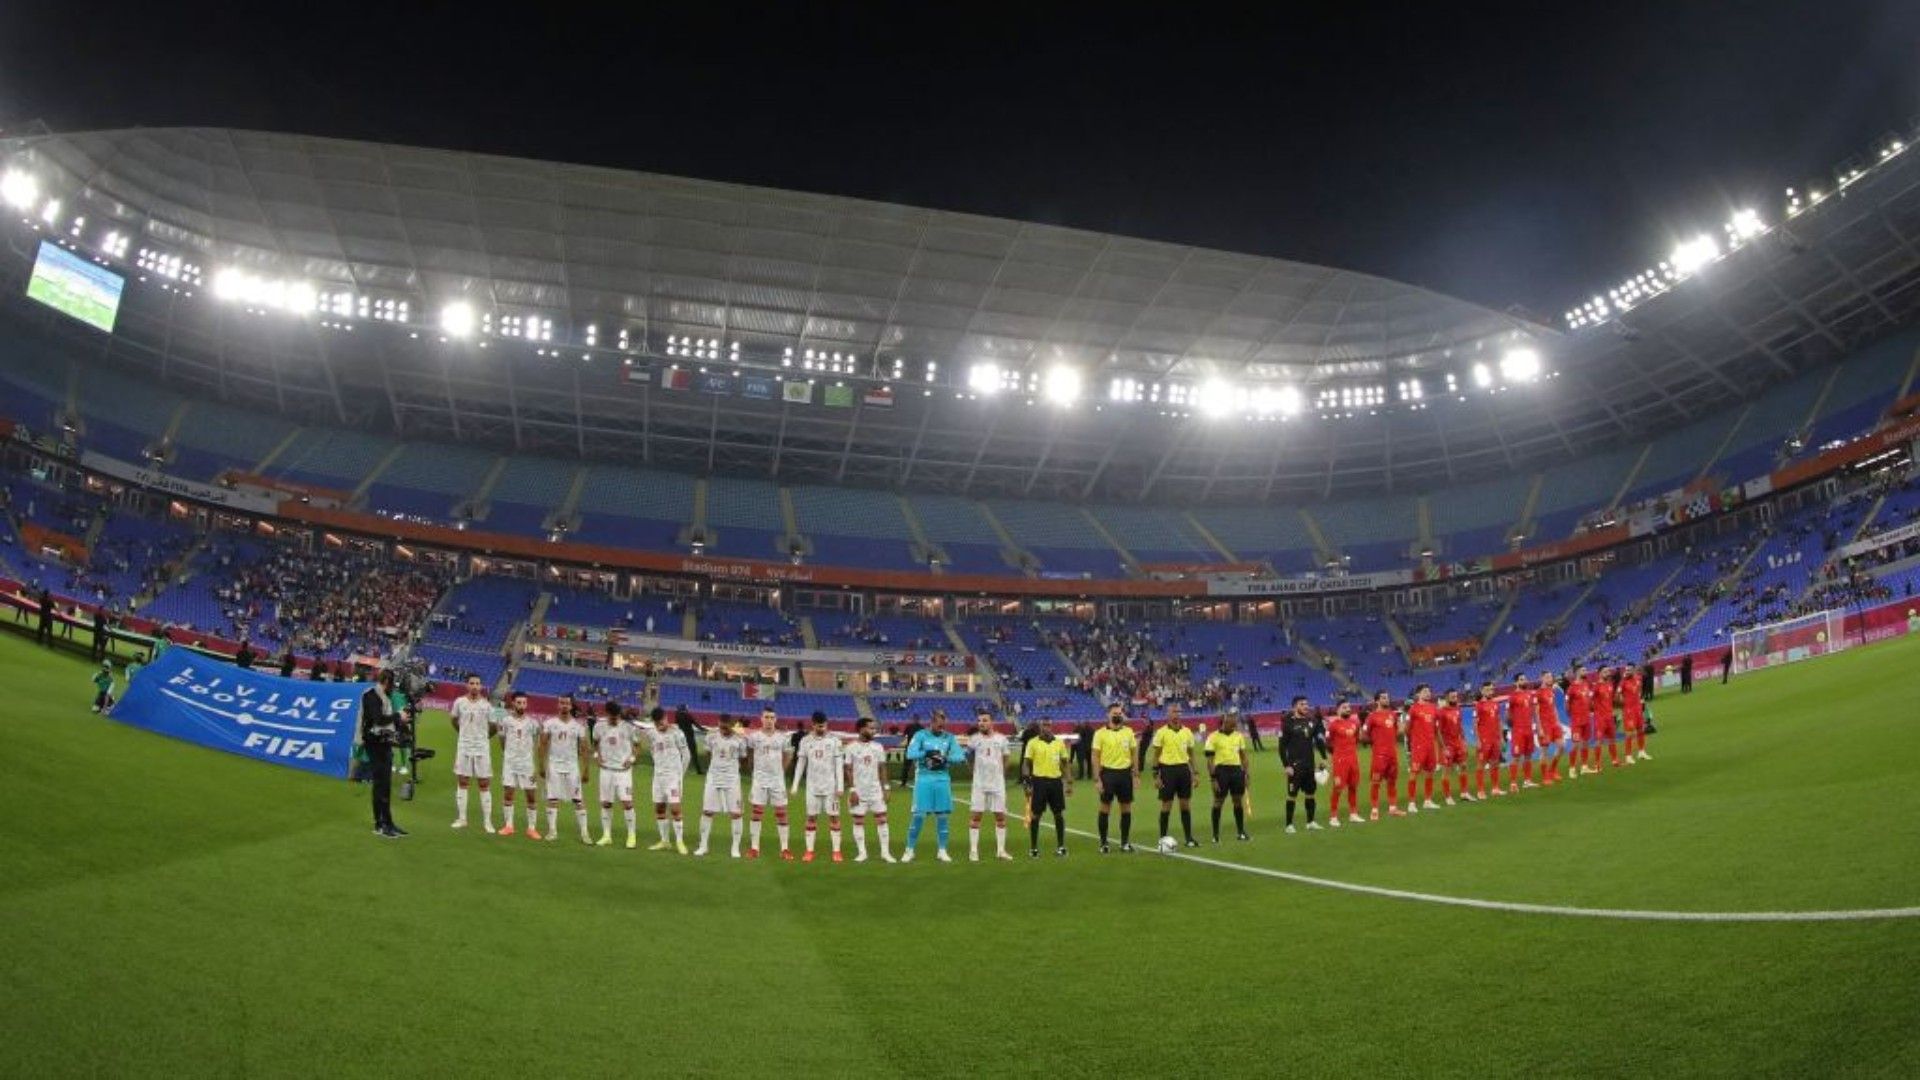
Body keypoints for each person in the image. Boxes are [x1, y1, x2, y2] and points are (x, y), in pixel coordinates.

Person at [903, 709, 967, 863]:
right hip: (924, 779)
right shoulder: (920, 736)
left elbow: (960, 756)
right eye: (939, 724)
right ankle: (909, 850)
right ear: (931, 722)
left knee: (942, 816)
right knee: (918, 815)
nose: (942, 727)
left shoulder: (949, 738)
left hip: (942, 780)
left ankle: (942, 850)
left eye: (943, 724)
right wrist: (926, 753)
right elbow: (910, 754)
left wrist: (945, 757)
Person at [791, 711, 845, 863]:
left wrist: (840, 785)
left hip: (830, 787)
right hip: (812, 787)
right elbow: (801, 763)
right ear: (812, 724)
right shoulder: (805, 741)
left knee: (834, 817)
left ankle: (836, 851)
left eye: (824, 725)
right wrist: (795, 785)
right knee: (811, 817)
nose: (822, 728)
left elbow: (838, 765)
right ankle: (809, 851)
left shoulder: (834, 741)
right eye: (819, 726)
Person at [538, 696, 593, 844]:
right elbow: (542, 744)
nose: (564, 706)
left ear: (571, 706)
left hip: (572, 767)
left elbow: (584, 749)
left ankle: (584, 833)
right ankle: (552, 831)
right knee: (552, 798)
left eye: (567, 703)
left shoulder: (579, 726)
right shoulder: (549, 723)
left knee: (578, 799)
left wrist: (586, 769)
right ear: (558, 705)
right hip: (554, 766)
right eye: (562, 703)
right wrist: (541, 765)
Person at [359, 669, 405, 839]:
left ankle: (388, 822)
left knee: (384, 785)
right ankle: (380, 824)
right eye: (391, 684)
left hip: (383, 743)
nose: (392, 688)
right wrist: (397, 715)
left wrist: (398, 720)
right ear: (387, 681)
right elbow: (378, 719)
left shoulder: (382, 696)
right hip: (374, 743)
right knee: (380, 784)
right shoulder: (372, 695)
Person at [695, 713, 748, 857]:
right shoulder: (711, 736)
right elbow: (707, 754)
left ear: (731, 724)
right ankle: (703, 845)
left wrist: (732, 768)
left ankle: (735, 848)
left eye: (726, 726)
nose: (723, 729)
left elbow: (744, 759)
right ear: (718, 723)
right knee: (707, 811)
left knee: (736, 813)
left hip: (732, 779)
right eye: (721, 726)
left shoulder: (740, 740)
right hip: (713, 778)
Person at [1145, 704, 1199, 848]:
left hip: (1183, 770)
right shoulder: (1161, 733)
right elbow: (1155, 756)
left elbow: (1192, 754)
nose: (1176, 714)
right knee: (1166, 805)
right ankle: (1162, 839)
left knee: (1185, 805)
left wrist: (1195, 773)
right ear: (1167, 714)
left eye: (1178, 712)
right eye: (1173, 711)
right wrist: (1156, 776)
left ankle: (1189, 838)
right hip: (1167, 771)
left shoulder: (1187, 732)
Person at [745, 706, 794, 860]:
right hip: (759, 779)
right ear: (761, 719)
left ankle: (785, 848)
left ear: (776, 720)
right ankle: (754, 848)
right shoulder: (754, 737)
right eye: (766, 717)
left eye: (772, 718)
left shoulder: (782, 737)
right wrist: (753, 769)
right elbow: (750, 754)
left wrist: (781, 772)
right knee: (756, 812)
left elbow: (788, 756)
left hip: (777, 780)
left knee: (781, 813)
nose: (769, 720)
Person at [449, 675, 497, 832]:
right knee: (463, 782)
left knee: (484, 784)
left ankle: (487, 822)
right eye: (472, 683)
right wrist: (462, 733)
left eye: (477, 683)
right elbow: (454, 720)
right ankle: (462, 819)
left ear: (481, 686)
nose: (475, 686)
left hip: (482, 748)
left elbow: (495, 725)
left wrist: (485, 738)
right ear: (467, 685)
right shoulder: (459, 702)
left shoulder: (488, 705)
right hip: (464, 747)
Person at [844, 717, 894, 863]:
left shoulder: (878, 747)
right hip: (858, 791)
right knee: (858, 821)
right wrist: (852, 790)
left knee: (882, 820)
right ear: (861, 729)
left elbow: (882, 767)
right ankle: (862, 853)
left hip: (875, 790)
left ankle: (885, 853)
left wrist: (886, 788)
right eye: (871, 728)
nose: (874, 731)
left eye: (874, 728)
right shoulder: (851, 747)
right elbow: (848, 769)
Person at [1091, 703, 1139, 853]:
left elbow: (1134, 753)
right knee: (1105, 807)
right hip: (1108, 774)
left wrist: (1136, 774)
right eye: (1114, 713)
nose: (1118, 715)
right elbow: (1095, 756)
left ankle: (1124, 843)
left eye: (1120, 713)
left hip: (1125, 774)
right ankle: (1104, 843)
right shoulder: (1100, 734)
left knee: (1126, 808)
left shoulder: (1129, 732)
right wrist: (1097, 779)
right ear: (1108, 715)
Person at [966, 708, 1013, 862]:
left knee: (1000, 817)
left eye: (984, 720)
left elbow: (1006, 759)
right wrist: (974, 772)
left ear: (992, 722)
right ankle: (973, 851)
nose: (981, 723)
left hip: (997, 783)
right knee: (976, 817)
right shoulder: (973, 739)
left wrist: (1002, 775)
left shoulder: (1002, 739)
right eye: (979, 721)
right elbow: (969, 757)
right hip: (979, 784)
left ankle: (1001, 851)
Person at [1022, 717, 1072, 857]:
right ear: (1040, 727)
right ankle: (1033, 848)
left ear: (1052, 726)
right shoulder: (1033, 743)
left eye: (1049, 725)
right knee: (1036, 815)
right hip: (1039, 782)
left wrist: (1068, 782)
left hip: (1056, 782)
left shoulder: (1059, 743)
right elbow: (1026, 763)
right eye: (1044, 725)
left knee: (1058, 814)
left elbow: (1065, 763)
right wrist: (1026, 781)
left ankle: (1061, 847)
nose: (1046, 727)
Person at [496, 692, 543, 839]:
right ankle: (509, 826)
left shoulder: (533, 723)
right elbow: (502, 740)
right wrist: (508, 754)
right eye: (518, 702)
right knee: (508, 794)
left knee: (531, 796)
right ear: (513, 703)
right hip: (510, 764)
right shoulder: (505, 721)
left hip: (527, 765)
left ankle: (531, 828)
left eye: (524, 703)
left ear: (527, 704)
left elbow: (540, 741)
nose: (521, 705)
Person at [644, 706, 691, 853]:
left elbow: (687, 755)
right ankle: (664, 841)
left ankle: (679, 842)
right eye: (657, 723)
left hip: (673, 778)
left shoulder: (677, 733)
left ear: (666, 717)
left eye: (662, 721)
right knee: (659, 808)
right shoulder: (651, 734)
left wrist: (679, 775)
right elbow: (653, 751)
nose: (660, 725)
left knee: (675, 809)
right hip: (658, 777)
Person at [593, 703, 640, 848]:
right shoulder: (599, 726)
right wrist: (597, 756)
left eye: (616, 717)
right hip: (606, 770)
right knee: (606, 803)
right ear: (606, 714)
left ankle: (631, 836)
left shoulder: (628, 727)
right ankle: (607, 835)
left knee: (627, 803)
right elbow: (595, 742)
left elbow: (638, 745)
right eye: (611, 717)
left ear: (619, 715)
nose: (614, 720)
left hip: (623, 772)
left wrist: (631, 759)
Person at [1273, 697, 1322, 835]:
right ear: (1295, 707)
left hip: (1309, 765)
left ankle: (1310, 822)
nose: (1306, 706)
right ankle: (1289, 825)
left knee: (1311, 794)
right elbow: (1281, 748)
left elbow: (1317, 742)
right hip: (1295, 766)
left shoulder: (1312, 721)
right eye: (1302, 704)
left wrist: (1322, 758)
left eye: (1307, 704)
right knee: (1292, 795)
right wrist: (1286, 766)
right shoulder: (1287, 723)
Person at [1207, 709, 1257, 840]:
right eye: (1232, 722)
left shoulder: (1238, 736)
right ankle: (1215, 835)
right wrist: (1213, 779)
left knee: (1237, 801)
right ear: (1225, 721)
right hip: (1221, 771)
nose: (1235, 724)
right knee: (1218, 802)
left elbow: (1243, 757)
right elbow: (1210, 761)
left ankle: (1240, 832)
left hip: (1236, 771)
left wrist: (1246, 773)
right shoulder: (1213, 737)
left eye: (1235, 722)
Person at [1364, 691, 1405, 820]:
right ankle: (1374, 810)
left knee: (1392, 782)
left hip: (1392, 754)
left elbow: (1398, 732)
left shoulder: (1393, 715)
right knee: (1376, 782)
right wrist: (1375, 742)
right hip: (1379, 755)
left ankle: (1393, 808)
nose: (1386, 699)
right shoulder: (1372, 717)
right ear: (1377, 701)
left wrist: (1400, 729)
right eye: (1383, 698)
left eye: (1387, 697)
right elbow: (1363, 735)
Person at [1324, 700, 1364, 826]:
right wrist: (1337, 755)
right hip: (1340, 761)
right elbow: (1328, 743)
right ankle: (1333, 817)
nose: (1347, 709)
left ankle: (1353, 814)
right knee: (1338, 788)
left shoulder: (1354, 723)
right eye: (1344, 707)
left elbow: (1356, 739)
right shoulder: (1333, 725)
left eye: (1349, 707)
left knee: (1353, 787)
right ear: (1338, 710)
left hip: (1353, 760)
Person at [1405, 684, 1441, 811]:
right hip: (1419, 746)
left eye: (1429, 691)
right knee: (1414, 773)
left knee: (1430, 773)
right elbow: (1407, 729)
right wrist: (1415, 741)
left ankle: (1428, 800)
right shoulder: (1413, 709)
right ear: (1418, 694)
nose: (1428, 693)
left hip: (1431, 746)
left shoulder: (1433, 708)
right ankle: (1411, 803)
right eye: (1425, 691)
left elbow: (1436, 728)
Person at [1472, 683, 1507, 799]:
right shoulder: (1478, 706)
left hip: (1495, 739)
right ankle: (1480, 791)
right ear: (1482, 691)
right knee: (1481, 764)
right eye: (1487, 690)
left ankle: (1495, 788)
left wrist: (1501, 737)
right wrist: (1477, 740)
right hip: (1484, 739)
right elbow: (1475, 724)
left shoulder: (1494, 704)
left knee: (1495, 763)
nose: (1490, 692)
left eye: (1491, 689)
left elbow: (1499, 721)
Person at [1438, 688, 1473, 804]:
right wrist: (1443, 748)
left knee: (1463, 766)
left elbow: (1460, 727)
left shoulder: (1458, 709)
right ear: (1447, 698)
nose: (1455, 698)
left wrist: (1464, 741)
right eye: (1452, 697)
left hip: (1458, 743)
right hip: (1448, 745)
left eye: (1456, 696)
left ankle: (1464, 793)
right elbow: (1438, 731)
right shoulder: (1442, 712)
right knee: (1446, 771)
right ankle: (1448, 797)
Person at [1506, 675, 1539, 792]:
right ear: (1516, 682)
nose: (1524, 681)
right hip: (1518, 731)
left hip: (1529, 729)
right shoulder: (1512, 697)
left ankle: (1527, 781)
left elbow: (1534, 712)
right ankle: (1513, 783)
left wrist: (1538, 728)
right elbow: (1508, 715)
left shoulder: (1530, 694)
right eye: (1521, 679)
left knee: (1528, 755)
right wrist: (1513, 725)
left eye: (1525, 679)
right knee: (1516, 757)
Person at [1535, 671, 1564, 786]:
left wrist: (1558, 721)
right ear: (1541, 678)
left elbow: (1554, 707)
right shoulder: (1538, 693)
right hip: (1545, 725)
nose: (1550, 679)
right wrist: (1540, 728)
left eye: (1551, 677)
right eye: (1547, 677)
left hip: (1554, 724)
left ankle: (1552, 770)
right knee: (1544, 752)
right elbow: (1536, 713)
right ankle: (1545, 776)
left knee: (1561, 746)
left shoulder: (1551, 691)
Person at [1566, 664, 1595, 778]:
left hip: (1587, 719)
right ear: (1577, 672)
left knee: (1585, 743)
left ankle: (1584, 767)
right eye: (1583, 670)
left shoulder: (1586, 684)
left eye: (1585, 669)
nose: (1586, 671)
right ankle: (1572, 769)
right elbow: (1567, 705)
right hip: (1576, 721)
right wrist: (1573, 716)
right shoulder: (1571, 687)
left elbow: (1589, 700)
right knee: (1575, 745)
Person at [1593, 667, 1623, 769]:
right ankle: (1597, 764)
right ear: (1599, 674)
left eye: (1608, 671)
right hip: (1600, 718)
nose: (1608, 673)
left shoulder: (1610, 684)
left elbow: (1611, 701)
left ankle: (1615, 760)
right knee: (1599, 741)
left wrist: (1618, 706)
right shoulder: (1596, 686)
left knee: (1612, 739)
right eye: (1605, 672)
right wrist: (1594, 711)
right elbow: (1590, 700)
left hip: (1610, 716)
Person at [1621, 665, 1651, 762]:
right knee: (1629, 733)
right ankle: (1628, 756)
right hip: (1629, 711)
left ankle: (1641, 752)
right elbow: (1617, 696)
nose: (1627, 671)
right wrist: (1623, 703)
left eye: (1629, 670)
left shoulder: (1638, 678)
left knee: (1641, 730)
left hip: (1638, 709)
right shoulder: (1623, 682)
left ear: (1634, 670)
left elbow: (1639, 689)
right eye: (1626, 670)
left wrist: (1640, 699)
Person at [674, 704, 706, 775]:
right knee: (694, 754)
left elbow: (676, 725)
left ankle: (677, 769)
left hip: (681, 737)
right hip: (690, 737)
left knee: (680, 754)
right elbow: (696, 724)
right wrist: (704, 730)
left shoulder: (677, 715)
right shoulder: (688, 715)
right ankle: (698, 770)